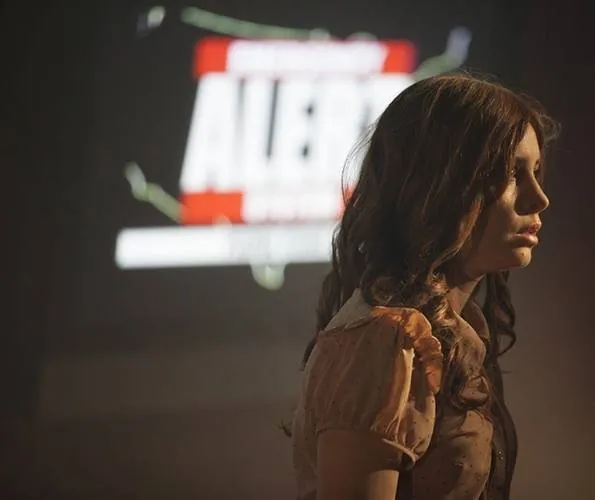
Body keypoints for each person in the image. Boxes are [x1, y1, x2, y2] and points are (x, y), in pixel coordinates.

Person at [290, 73, 559, 500]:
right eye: (511, 172)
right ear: (439, 185)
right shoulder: (383, 339)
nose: (539, 198)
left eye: (537, 172)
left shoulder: (458, 330)